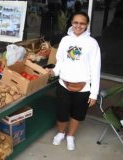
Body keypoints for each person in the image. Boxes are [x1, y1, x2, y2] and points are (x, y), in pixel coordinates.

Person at [47, 11, 101, 150]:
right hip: (64, 84)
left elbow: (96, 69)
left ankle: (70, 136)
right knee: (62, 113)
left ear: (87, 25)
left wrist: (93, 93)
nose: (78, 25)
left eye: (82, 23)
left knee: (77, 114)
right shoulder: (65, 40)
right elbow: (60, 61)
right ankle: (61, 133)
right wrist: (54, 71)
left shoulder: (92, 43)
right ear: (72, 23)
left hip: (83, 88)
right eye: (76, 22)